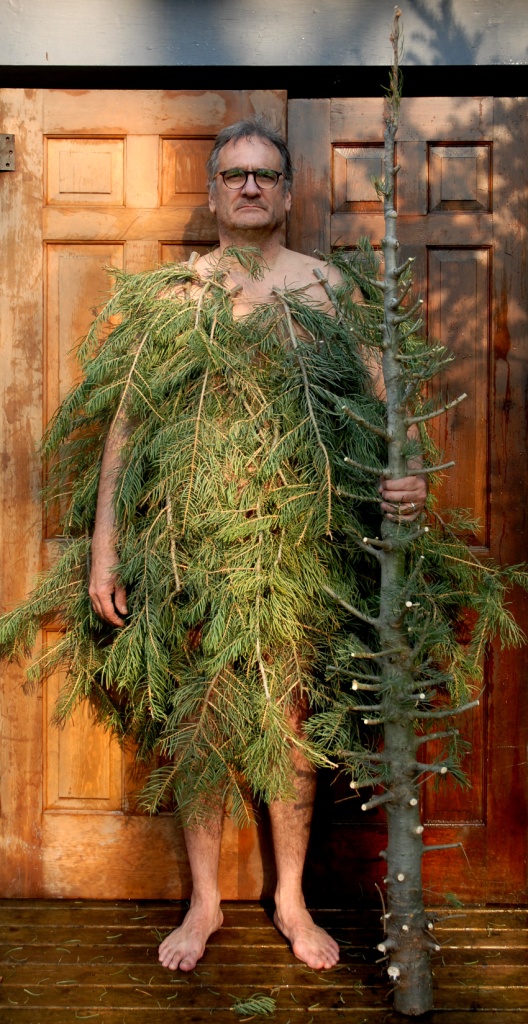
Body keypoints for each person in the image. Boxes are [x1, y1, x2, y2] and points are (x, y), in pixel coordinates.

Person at [88, 118, 427, 974]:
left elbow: (387, 399)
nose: (249, 187)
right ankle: (204, 900)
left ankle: (290, 897)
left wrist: (410, 473)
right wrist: (106, 548)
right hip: (190, 541)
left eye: (264, 176)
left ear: (286, 193)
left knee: (290, 721)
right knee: (200, 716)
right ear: (212, 192)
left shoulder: (326, 288)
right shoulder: (177, 296)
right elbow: (126, 427)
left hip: (298, 540)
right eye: (234, 174)